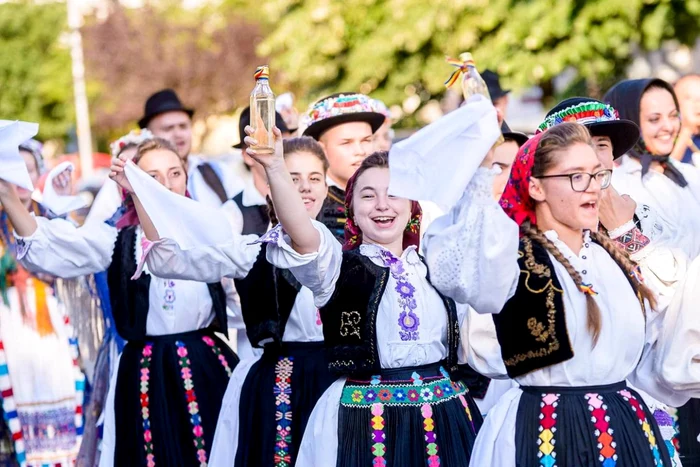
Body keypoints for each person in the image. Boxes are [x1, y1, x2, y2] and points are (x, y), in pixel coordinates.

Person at [425, 122, 691, 466]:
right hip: (544, 429)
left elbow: (670, 310)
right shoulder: (515, 256)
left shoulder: (611, 256)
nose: (592, 188)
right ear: (536, 186)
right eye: (575, 176)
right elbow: (458, 273)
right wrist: (478, 174)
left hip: (624, 428)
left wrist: (627, 233)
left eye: (597, 175)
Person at [248, 121, 491, 464]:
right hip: (364, 417)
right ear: (352, 211)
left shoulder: (437, 269)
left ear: (411, 207)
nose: (382, 205)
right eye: (367, 195)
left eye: (393, 193)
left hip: (444, 415)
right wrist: (274, 166)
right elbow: (301, 230)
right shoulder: (336, 267)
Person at [1, 137, 240, 466]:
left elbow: (244, 303)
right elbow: (54, 248)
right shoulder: (117, 239)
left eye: (175, 173)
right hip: (145, 372)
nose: (166, 185)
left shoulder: (211, 233)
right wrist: (7, 196)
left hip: (206, 364)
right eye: (152, 177)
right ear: (132, 186)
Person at [123, 136, 336, 467]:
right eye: (292, 178)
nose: (305, 188)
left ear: (326, 185)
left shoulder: (346, 247)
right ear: (271, 186)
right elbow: (168, 260)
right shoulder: (254, 249)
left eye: (314, 179)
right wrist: (141, 193)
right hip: (280, 383)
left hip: (338, 381)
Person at [0, 137, 85, 466]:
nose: (19, 177)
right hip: (9, 340)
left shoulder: (53, 217)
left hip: (56, 338)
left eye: (27, 168)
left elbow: (77, 268)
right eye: (11, 170)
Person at [604, 78, 700, 261]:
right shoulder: (617, 188)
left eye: (673, 115)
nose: (669, 127)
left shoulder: (690, 174)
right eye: (654, 119)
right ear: (629, 121)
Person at [140, 88, 243, 208]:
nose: (178, 134)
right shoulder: (139, 180)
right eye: (168, 128)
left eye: (183, 126)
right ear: (148, 134)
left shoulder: (218, 171)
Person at [303, 92, 385, 241]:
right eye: (346, 143)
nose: (360, 151)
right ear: (321, 150)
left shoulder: (394, 192)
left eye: (366, 140)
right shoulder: (305, 200)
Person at [672, 74, 700, 164]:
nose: (697, 104)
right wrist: (687, 130)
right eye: (689, 98)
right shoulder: (665, 136)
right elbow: (663, 172)